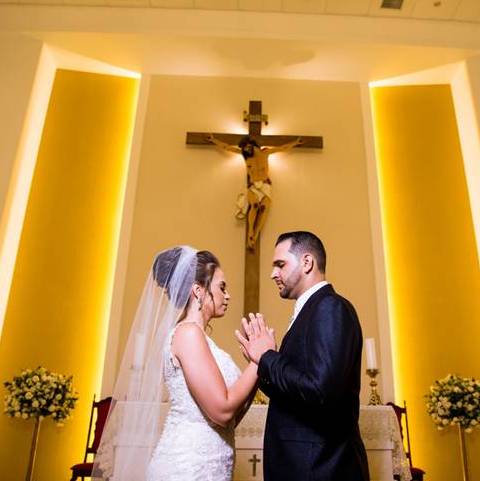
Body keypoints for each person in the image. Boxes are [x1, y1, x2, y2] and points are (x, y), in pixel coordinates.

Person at [93, 246, 259, 481]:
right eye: (222, 287)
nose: (228, 295)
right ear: (198, 291)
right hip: (187, 467)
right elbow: (222, 411)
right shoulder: (188, 334)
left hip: (210, 465)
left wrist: (256, 366)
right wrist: (259, 362)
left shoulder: (200, 338)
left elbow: (230, 419)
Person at [235, 231, 370, 480]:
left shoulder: (330, 307)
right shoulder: (311, 309)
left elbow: (320, 391)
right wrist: (262, 363)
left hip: (321, 468)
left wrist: (267, 357)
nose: (273, 274)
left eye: (280, 264)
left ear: (307, 262)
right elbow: (297, 393)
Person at [207, 135, 303, 250]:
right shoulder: (245, 156)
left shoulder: (265, 153)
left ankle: (256, 234)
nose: (246, 150)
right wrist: (213, 140)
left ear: (252, 144)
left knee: (264, 208)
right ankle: (250, 233)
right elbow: (226, 147)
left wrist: (295, 143)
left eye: (247, 147)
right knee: (255, 206)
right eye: (244, 149)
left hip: (265, 185)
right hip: (253, 186)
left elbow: (283, 148)